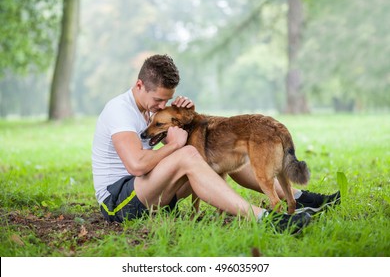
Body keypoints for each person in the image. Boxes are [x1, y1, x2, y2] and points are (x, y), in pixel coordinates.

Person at [92, 54, 340, 234]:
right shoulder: (120, 110)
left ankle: (298, 197)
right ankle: (266, 219)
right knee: (189, 154)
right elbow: (136, 165)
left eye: (166, 101)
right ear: (139, 86)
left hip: (152, 195)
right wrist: (174, 146)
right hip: (119, 202)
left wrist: (185, 117)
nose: (160, 105)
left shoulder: (150, 111)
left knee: (226, 151)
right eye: (158, 99)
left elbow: (179, 141)